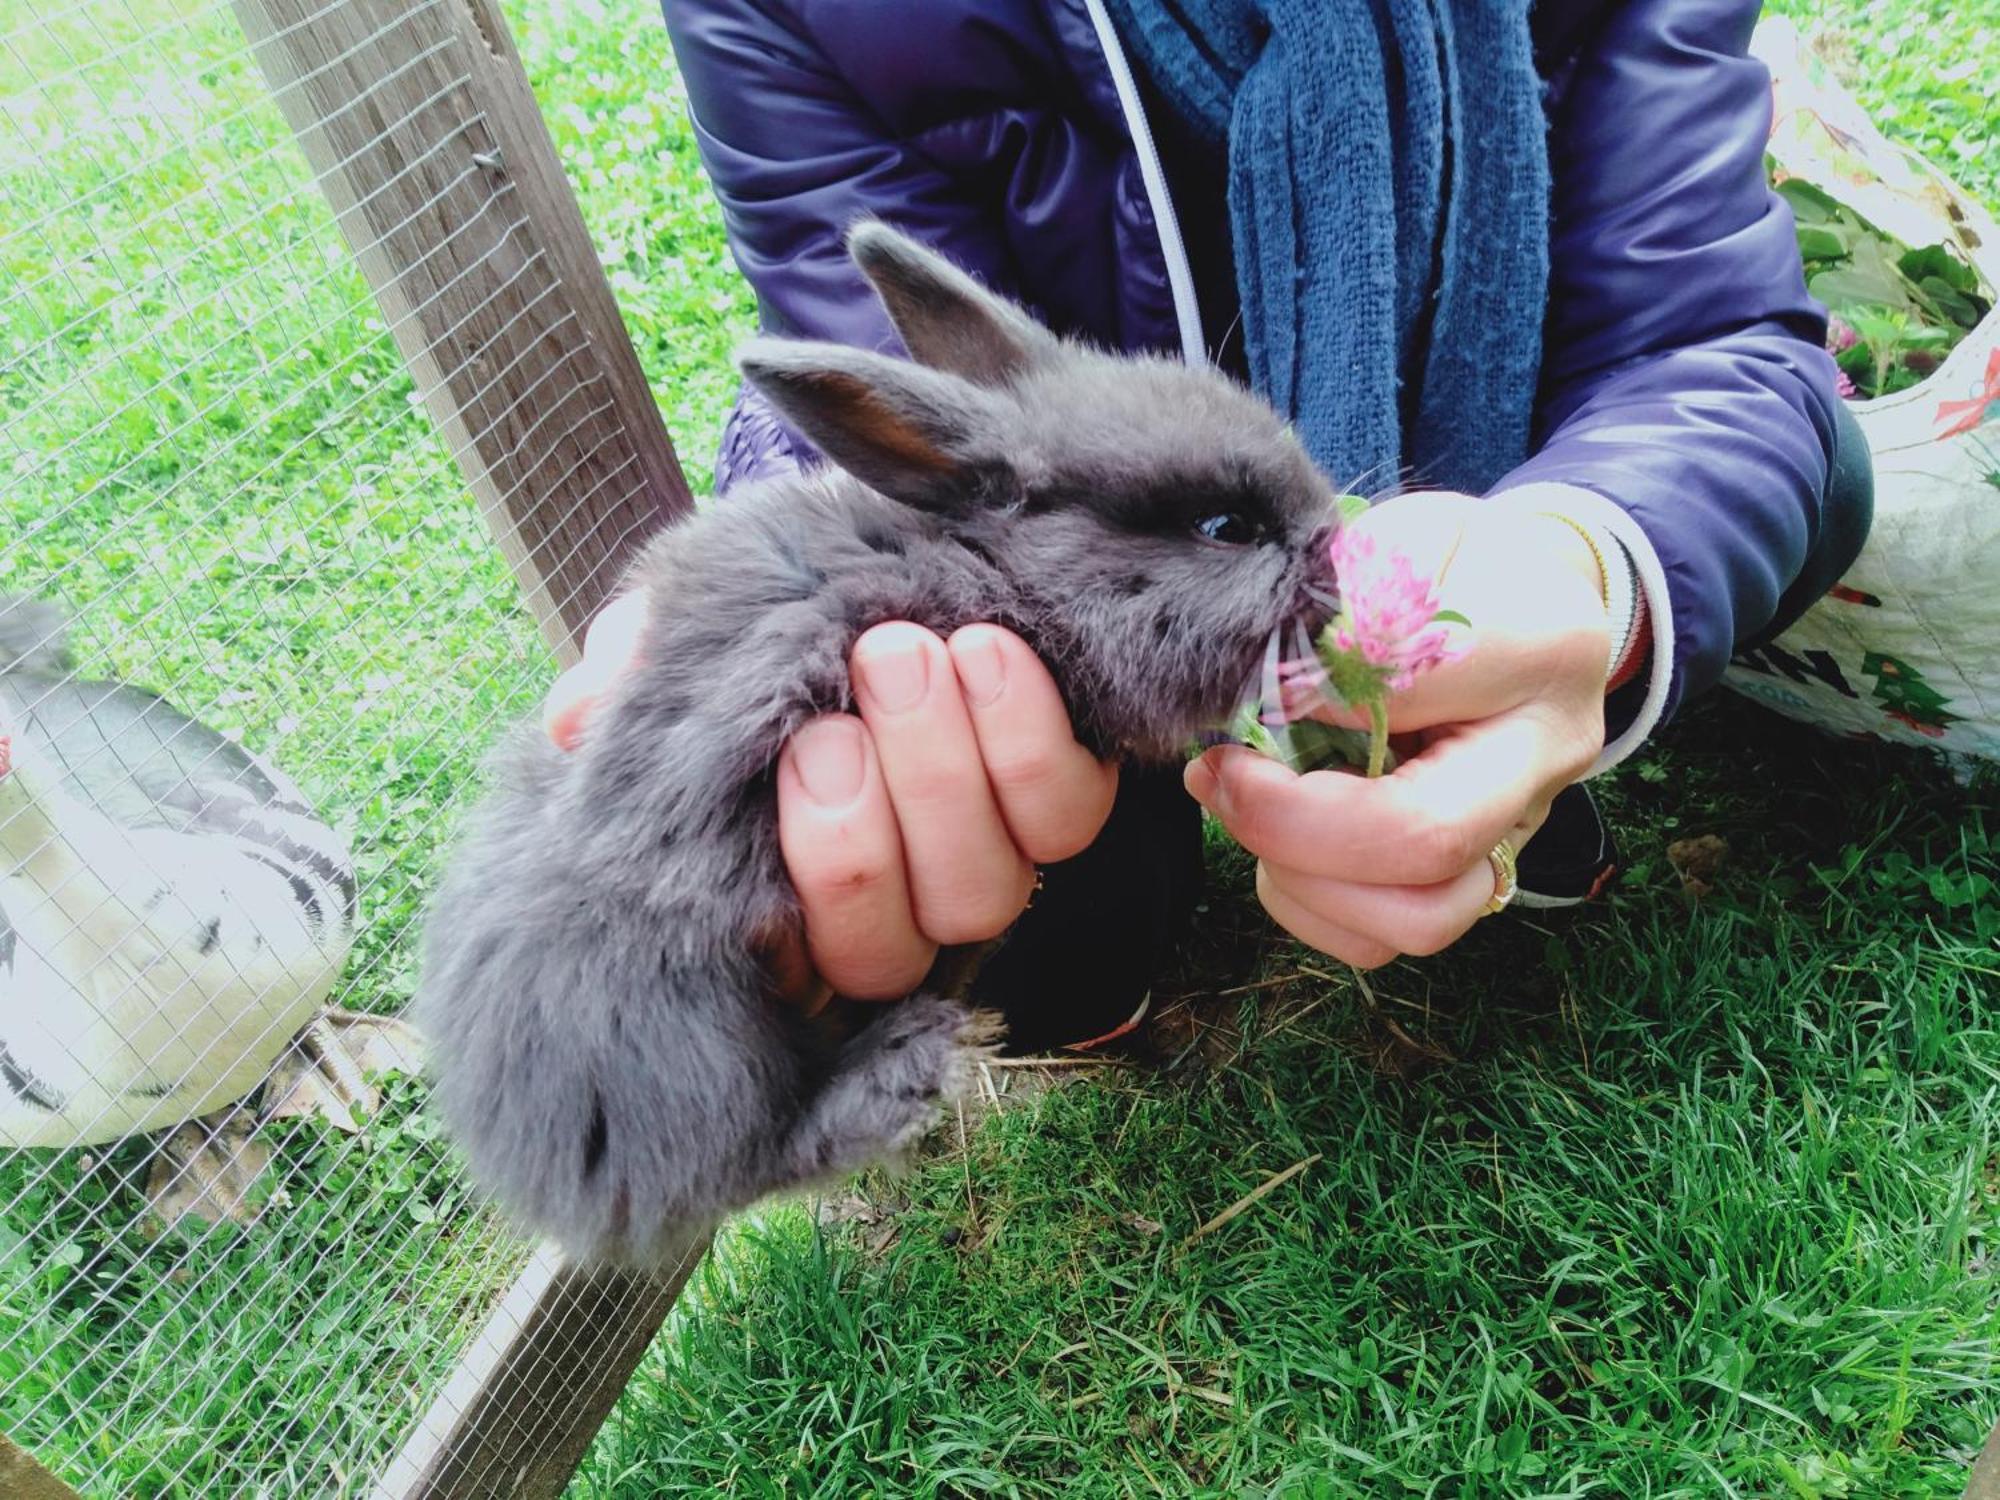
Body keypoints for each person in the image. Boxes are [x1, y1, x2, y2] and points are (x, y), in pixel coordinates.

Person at [547, 0, 1874, 1051]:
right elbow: (853, 317)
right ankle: (1086, 972)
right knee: (1025, 817)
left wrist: (1591, 560)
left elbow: (1712, 331)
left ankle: (1522, 769)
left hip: (1455, 489)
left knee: (1758, 518)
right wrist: (804, 557)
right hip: (1067, 611)